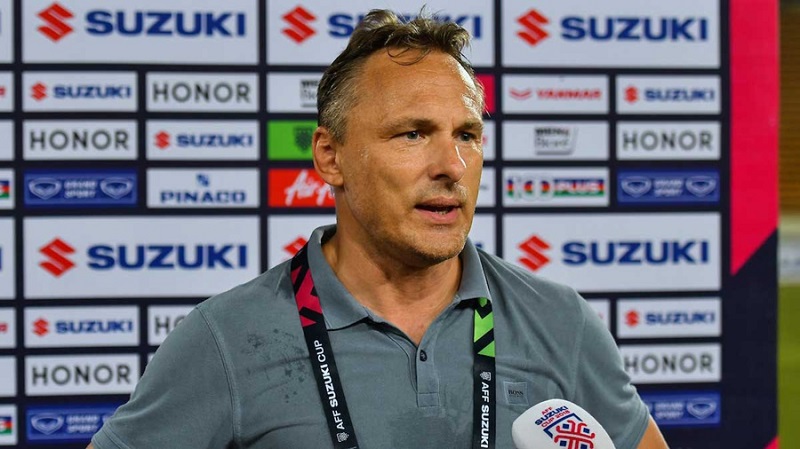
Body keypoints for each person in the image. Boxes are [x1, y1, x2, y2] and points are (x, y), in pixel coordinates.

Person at [89, 9, 669, 449]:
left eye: (467, 135)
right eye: (412, 134)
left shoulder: (560, 321)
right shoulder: (225, 338)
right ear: (330, 156)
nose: (452, 166)